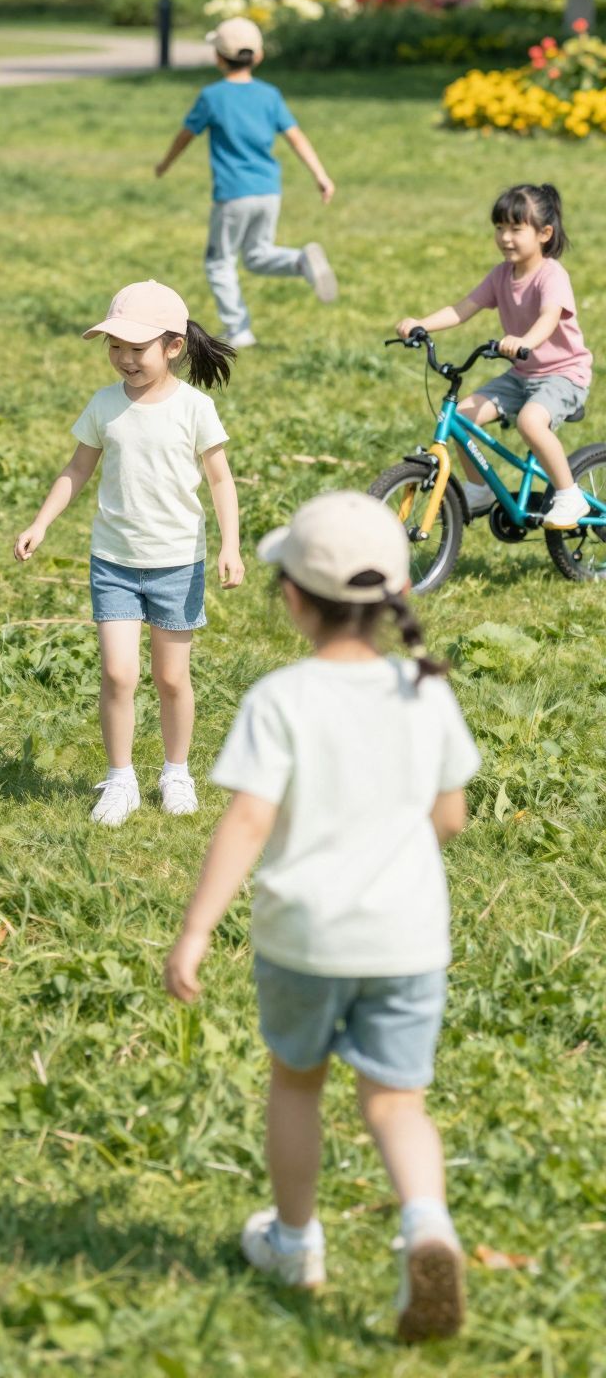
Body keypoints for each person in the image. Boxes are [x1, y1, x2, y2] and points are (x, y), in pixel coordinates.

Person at [165, 491, 479, 1343]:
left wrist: (194, 930)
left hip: (304, 937)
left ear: (294, 599)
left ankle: (297, 1242)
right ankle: (427, 1226)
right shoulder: (426, 689)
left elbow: (248, 821)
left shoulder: (282, 698)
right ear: (398, 593)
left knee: (296, 1083)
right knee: (397, 1105)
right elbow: (449, 819)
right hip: (408, 937)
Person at [14, 280, 243, 828]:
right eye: (114, 346)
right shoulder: (104, 405)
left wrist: (231, 545)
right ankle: (120, 780)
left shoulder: (194, 408)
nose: (123, 359)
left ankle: (176, 772)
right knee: (118, 675)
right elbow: (76, 470)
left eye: (135, 349)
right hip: (113, 561)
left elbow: (220, 481)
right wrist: (41, 522)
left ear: (172, 346)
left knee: (171, 679)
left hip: (177, 563)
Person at [397, 181, 593, 530]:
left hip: (563, 373)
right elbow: (463, 309)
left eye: (516, 229)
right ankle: (479, 488)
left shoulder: (551, 275)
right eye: (500, 228)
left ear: (544, 233)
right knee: (463, 417)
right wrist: (420, 324)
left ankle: (569, 494)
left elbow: (549, 317)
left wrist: (524, 341)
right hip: (521, 374)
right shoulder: (501, 274)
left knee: (531, 421)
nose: (505, 237)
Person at [155, 14, 337, 349]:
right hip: (269, 191)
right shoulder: (270, 95)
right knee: (257, 255)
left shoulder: (213, 96)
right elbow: (297, 138)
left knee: (219, 261)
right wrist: (321, 175)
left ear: (218, 57)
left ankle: (238, 330)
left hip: (233, 194)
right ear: (259, 56)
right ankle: (301, 261)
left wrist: (165, 164)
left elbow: (185, 136)